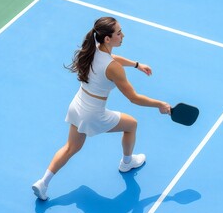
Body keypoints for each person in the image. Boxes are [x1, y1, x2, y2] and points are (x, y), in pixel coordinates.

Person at [32, 17, 171, 201]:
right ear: (107, 38)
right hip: (93, 114)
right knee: (132, 125)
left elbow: (113, 59)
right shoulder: (114, 68)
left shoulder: (93, 50)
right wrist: (160, 104)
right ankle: (127, 163)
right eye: (119, 33)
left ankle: (43, 182)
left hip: (77, 105)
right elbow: (133, 98)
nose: (123, 35)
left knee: (70, 148)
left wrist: (137, 65)